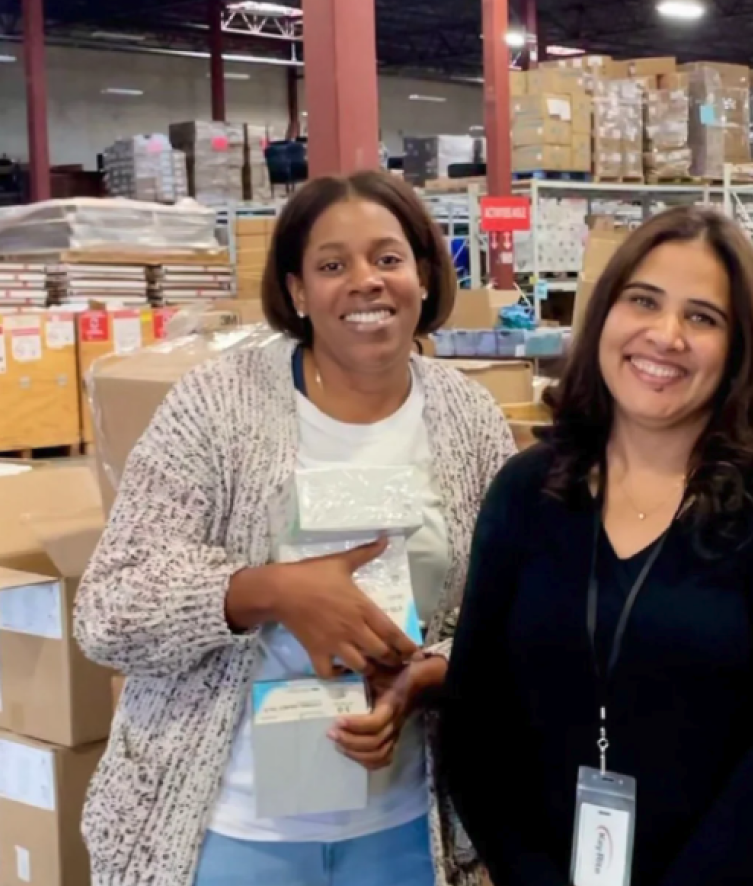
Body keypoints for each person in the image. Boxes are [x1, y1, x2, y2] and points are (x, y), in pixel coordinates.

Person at [75, 170, 514, 886]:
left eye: (388, 258)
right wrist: (264, 591)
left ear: (426, 277)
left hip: (404, 834)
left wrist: (428, 675)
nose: (366, 282)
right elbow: (108, 611)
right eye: (333, 265)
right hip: (228, 830)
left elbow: (505, 621)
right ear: (298, 291)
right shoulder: (218, 407)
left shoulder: (470, 422)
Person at [438, 206, 753, 886]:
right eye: (643, 302)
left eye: (702, 317)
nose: (665, 336)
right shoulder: (528, 490)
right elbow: (475, 717)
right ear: (604, 314)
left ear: (737, 348)